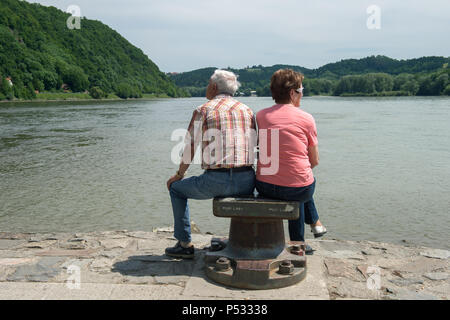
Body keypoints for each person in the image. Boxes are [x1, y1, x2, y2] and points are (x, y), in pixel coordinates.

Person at [165, 69, 256, 259]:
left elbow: (190, 147)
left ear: (214, 87)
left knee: (176, 189)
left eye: (208, 84)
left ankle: (184, 243)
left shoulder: (203, 110)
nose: (207, 87)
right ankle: (241, 240)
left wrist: (179, 175)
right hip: (247, 180)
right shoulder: (247, 111)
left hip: (216, 181)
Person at [255, 69, 326, 252]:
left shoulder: (261, 116)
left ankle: (306, 233)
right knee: (300, 185)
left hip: (265, 186)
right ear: (292, 92)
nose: (303, 93)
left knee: (295, 182)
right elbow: (315, 161)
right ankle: (299, 241)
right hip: (298, 189)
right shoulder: (307, 118)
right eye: (301, 90)